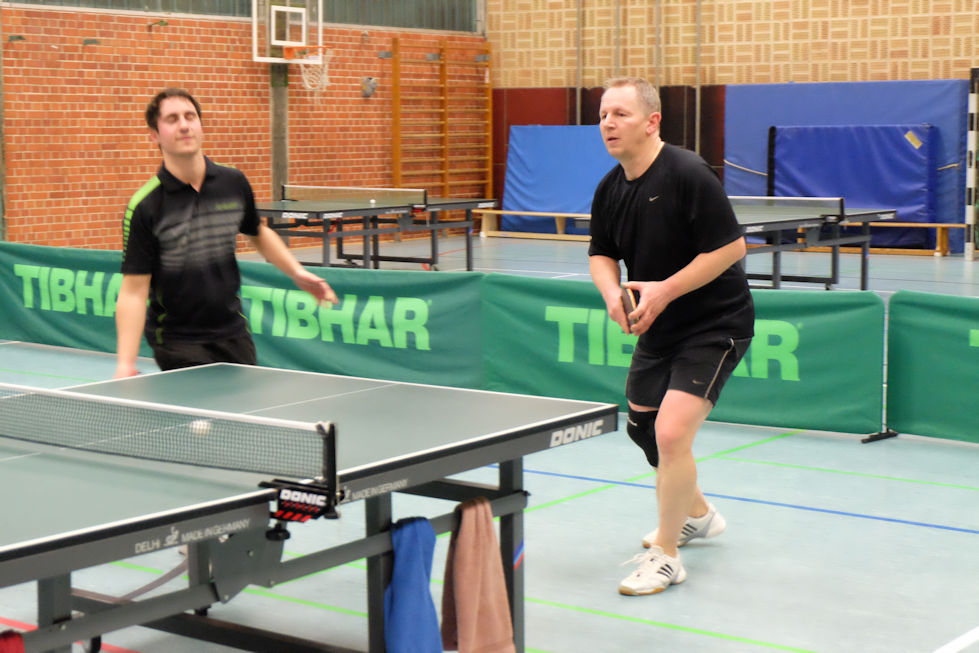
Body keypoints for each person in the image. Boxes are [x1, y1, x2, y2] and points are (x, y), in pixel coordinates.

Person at [588, 77, 754, 596]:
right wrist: (611, 292)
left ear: (651, 121)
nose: (608, 123)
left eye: (620, 114)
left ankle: (666, 557)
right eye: (603, 115)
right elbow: (601, 252)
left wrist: (663, 291)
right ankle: (696, 514)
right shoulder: (611, 187)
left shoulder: (687, 172)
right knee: (643, 427)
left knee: (671, 434)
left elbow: (732, 248)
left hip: (715, 323)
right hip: (659, 327)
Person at [114, 88, 338, 378]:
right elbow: (134, 290)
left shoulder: (233, 182)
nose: (184, 125)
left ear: (201, 125)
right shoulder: (145, 205)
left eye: (190, 116)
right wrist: (125, 363)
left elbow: (257, 232)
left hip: (233, 331)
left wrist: (297, 272)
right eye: (172, 119)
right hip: (178, 340)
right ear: (154, 135)